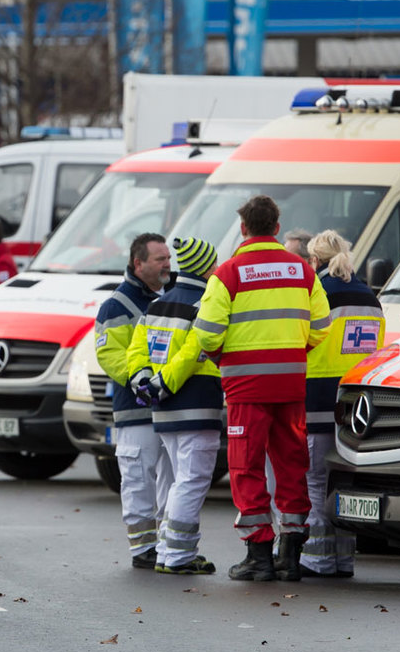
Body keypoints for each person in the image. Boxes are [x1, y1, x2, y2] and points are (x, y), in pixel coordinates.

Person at [189, 195, 329, 582]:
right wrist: (292, 352)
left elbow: (206, 333)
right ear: (277, 228)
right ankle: (290, 555)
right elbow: (321, 326)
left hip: (246, 388)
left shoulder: (228, 273)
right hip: (290, 385)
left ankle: (258, 556)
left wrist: (225, 359)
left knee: (246, 466)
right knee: (291, 466)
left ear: (243, 228)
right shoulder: (302, 271)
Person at [130, 236, 225, 575]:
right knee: (192, 480)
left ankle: (170, 551)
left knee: (178, 481)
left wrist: (146, 383)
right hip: (197, 405)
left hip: (164, 410)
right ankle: (179, 556)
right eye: (213, 264)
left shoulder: (156, 306)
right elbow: (192, 353)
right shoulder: (205, 304)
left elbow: (137, 352)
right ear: (204, 268)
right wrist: (165, 383)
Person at [300, 230, 383, 578]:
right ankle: (344, 560)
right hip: (356, 409)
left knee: (316, 482)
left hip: (317, 401)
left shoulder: (316, 295)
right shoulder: (370, 298)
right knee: (345, 486)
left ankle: (317, 558)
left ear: (314, 260)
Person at [95, 233, 172, 568]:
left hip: (172, 405)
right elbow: (109, 353)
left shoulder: (174, 296)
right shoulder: (116, 305)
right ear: (138, 263)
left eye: (168, 258)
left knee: (172, 479)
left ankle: (170, 545)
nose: (167, 264)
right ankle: (143, 549)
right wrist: (142, 380)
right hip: (136, 407)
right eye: (159, 259)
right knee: (139, 478)